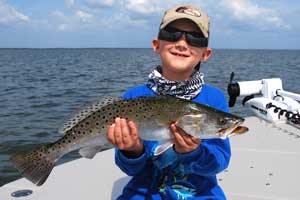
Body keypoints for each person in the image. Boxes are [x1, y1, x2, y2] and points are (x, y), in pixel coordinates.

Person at [106, 4, 230, 200]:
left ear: (205, 54)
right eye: (172, 33)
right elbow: (130, 169)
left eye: (195, 38)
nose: (182, 43)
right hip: (143, 193)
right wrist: (132, 151)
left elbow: (219, 161)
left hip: (200, 195)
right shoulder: (132, 98)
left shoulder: (214, 99)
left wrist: (194, 152)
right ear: (156, 45)